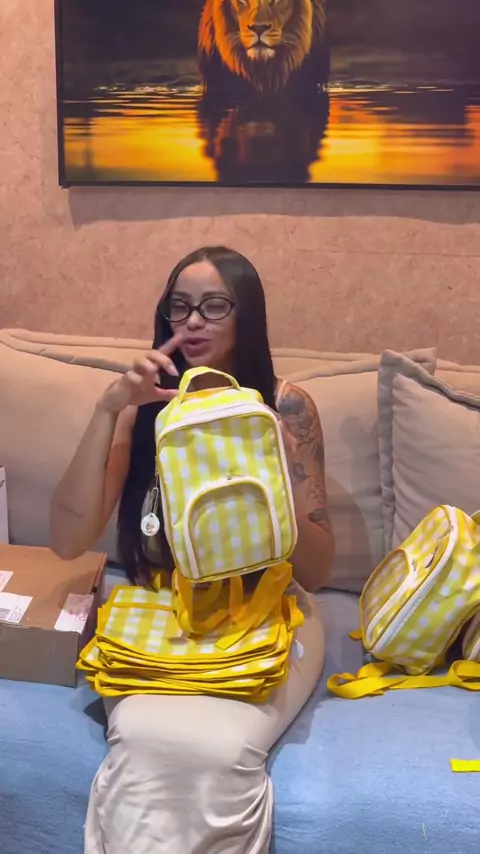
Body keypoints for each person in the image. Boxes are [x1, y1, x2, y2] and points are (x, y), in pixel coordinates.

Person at [50, 246, 335, 854]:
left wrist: (279, 467)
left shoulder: (285, 407)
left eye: (214, 306)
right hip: (163, 609)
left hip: (268, 608)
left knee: (220, 749)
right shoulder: (147, 407)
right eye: (179, 306)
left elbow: (315, 571)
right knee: (147, 739)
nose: (194, 321)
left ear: (247, 315)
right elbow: (67, 540)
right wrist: (110, 409)